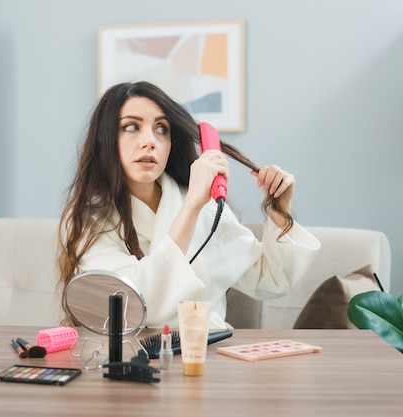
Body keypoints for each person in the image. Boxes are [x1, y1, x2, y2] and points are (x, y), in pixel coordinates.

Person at [58, 81, 320, 329]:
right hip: (131, 356)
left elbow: (270, 278)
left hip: (206, 352)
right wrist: (192, 206)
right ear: (107, 139)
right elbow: (132, 303)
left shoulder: (205, 206)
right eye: (131, 127)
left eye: (162, 129)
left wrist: (280, 210)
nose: (149, 141)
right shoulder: (89, 218)